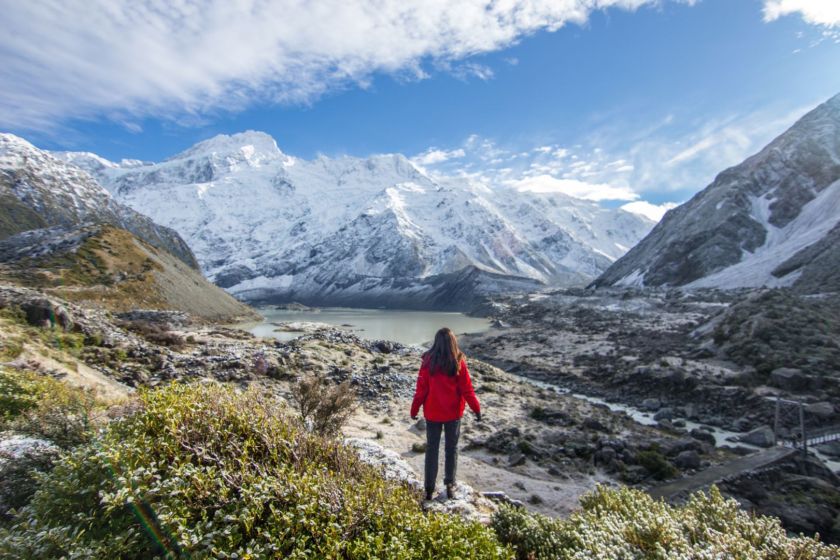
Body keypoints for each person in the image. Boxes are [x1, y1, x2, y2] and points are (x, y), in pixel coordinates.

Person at [410, 327, 481, 501]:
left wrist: (414, 409)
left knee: (431, 450)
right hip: (453, 415)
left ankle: (428, 490)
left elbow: (421, 390)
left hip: (433, 414)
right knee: (451, 449)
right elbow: (467, 390)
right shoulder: (458, 362)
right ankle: (450, 486)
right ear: (452, 342)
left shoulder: (427, 362)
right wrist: (476, 409)